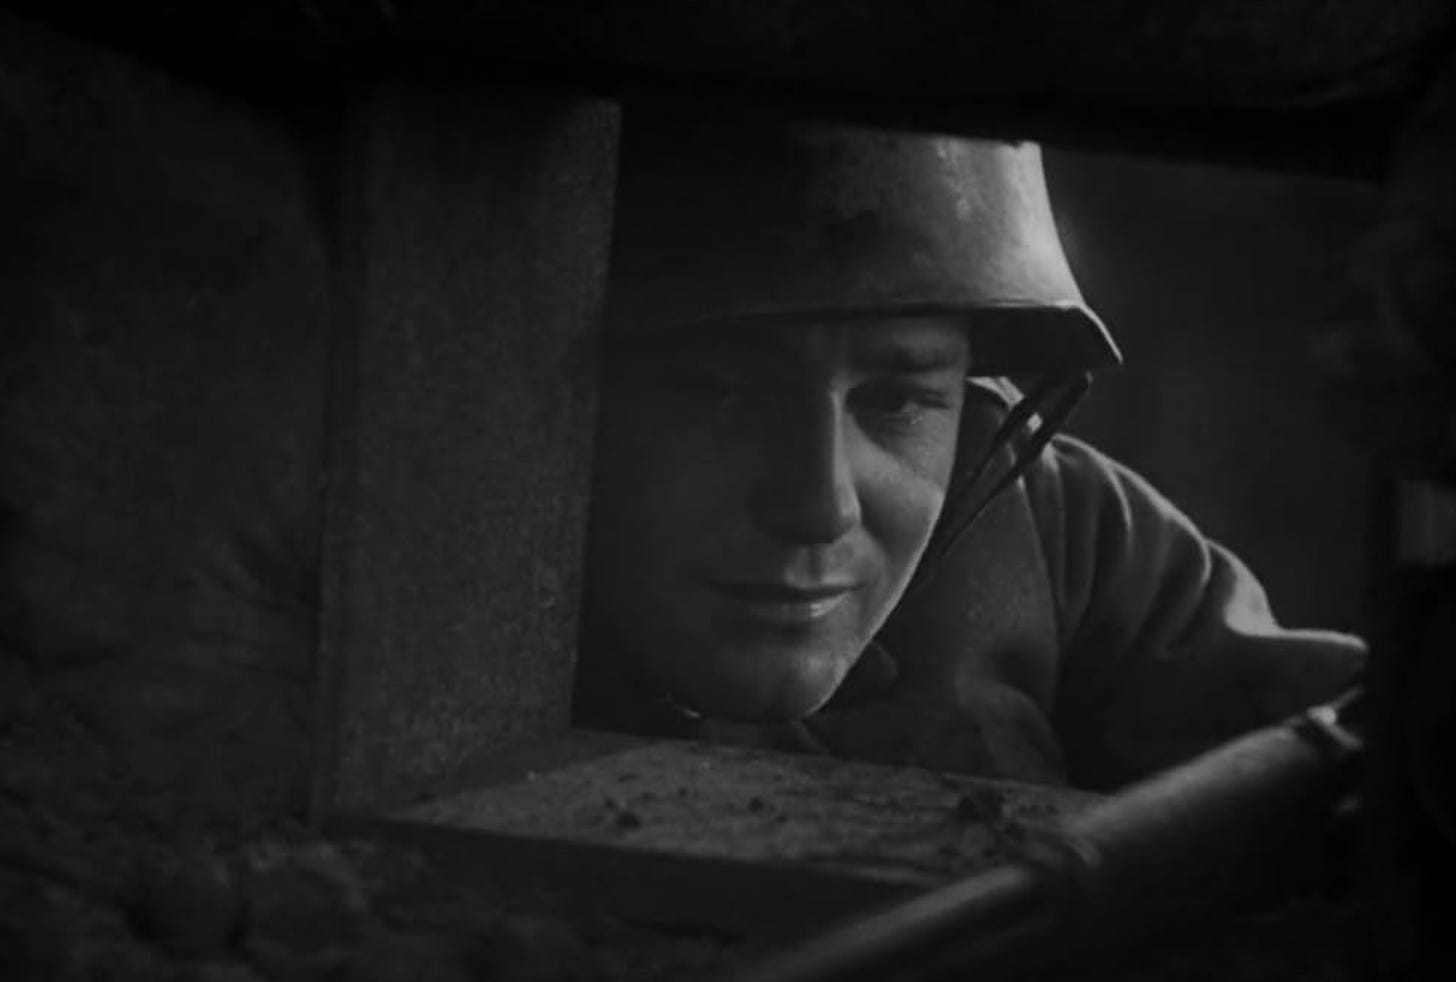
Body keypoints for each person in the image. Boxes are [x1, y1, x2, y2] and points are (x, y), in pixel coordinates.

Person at [573, 100, 1365, 792]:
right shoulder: (465, 589)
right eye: (717, 392)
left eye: (896, 400)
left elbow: (1362, 733)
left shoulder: (1052, 525)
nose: (819, 508)